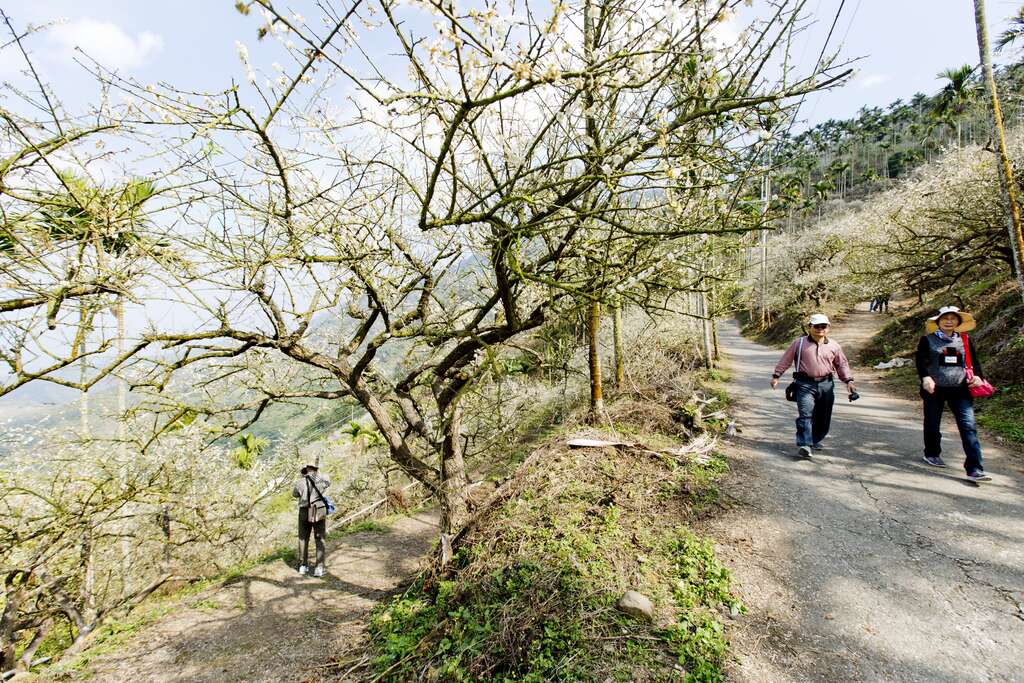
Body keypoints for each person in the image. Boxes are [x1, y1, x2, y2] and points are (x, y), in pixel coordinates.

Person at [916, 306, 990, 481]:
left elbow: (974, 362)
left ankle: (974, 469)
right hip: (934, 389)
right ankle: (932, 453)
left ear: (958, 322)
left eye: (953, 318)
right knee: (932, 424)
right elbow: (921, 362)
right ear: (938, 322)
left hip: (961, 390)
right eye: (945, 318)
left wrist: (978, 377)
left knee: (968, 426)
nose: (949, 321)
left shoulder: (964, 340)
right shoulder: (927, 340)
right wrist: (925, 377)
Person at [771, 313, 856, 458]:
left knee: (823, 416)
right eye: (816, 326)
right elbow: (786, 359)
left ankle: (815, 439)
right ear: (810, 327)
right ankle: (805, 444)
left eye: (823, 326)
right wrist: (776, 376)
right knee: (805, 414)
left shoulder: (834, 346)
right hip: (804, 384)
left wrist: (848, 381)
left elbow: (841, 364)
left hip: (826, 384)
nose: (820, 329)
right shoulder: (799, 343)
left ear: (828, 328)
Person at [292, 459, 331, 576]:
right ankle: (319, 568)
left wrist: (303, 479)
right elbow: (328, 481)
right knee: (319, 538)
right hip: (317, 510)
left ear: (305, 470)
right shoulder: (322, 479)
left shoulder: (299, 482)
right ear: (316, 470)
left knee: (303, 538)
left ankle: (302, 566)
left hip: (304, 511)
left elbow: (294, 494)